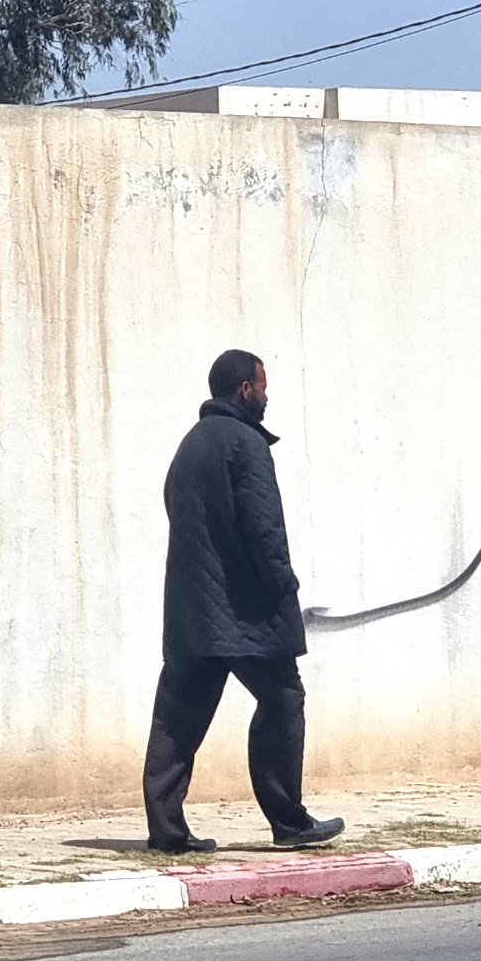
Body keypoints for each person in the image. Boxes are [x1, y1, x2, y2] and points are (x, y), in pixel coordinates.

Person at [142, 349, 345, 853]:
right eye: (263, 385)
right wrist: (283, 583)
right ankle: (290, 823)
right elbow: (263, 523)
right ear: (245, 390)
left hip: (191, 611)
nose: (268, 395)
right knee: (283, 699)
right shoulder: (246, 444)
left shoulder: (189, 445)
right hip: (244, 610)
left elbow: (175, 507)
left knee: (178, 717)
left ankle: (166, 832)